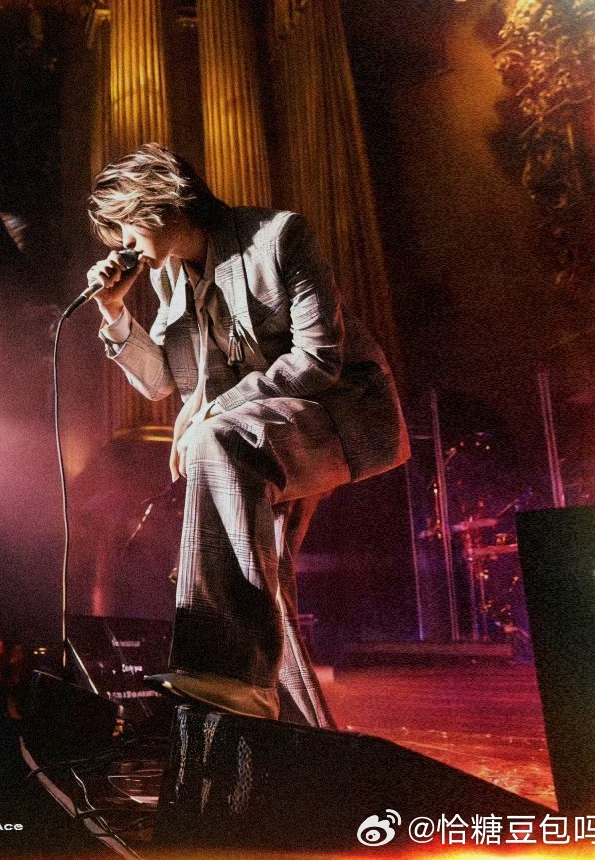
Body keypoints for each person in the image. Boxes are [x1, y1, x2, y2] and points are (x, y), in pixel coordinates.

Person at [85, 143, 408, 727]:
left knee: (215, 445)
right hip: (253, 437)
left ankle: (224, 670)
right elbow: (161, 383)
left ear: (160, 201)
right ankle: (302, 737)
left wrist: (213, 413)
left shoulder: (278, 238)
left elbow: (319, 359)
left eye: (125, 225)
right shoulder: (169, 279)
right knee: (264, 583)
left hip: (334, 412)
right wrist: (113, 312)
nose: (122, 244)